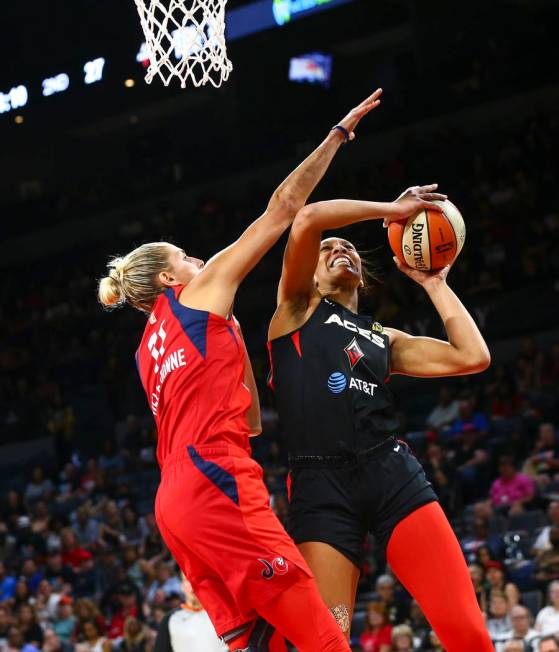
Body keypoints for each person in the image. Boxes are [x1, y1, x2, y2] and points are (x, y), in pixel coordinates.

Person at [98, 89, 384, 652]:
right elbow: (283, 209)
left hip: (173, 502)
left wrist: (229, 339)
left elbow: (250, 417)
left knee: (262, 643)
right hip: (215, 478)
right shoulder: (198, 293)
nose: (198, 260)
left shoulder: (147, 348)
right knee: (320, 634)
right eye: (185, 256)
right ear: (167, 278)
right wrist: (337, 136)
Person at [267, 191, 493, 651]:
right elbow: (307, 216)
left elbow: (473, 356)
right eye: (328, 249)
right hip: (321, 489)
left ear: (364, 275)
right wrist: (392, 211)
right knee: (326, 644)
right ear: (308, 272)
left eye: (347, 248)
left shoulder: (382, 337)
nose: (340, 250)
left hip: (391, 475)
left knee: (468, 633)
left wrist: (433, 283)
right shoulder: (294, 311)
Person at [153, 574, 227, 652]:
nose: (193, 584)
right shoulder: (169, 619)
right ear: (182, 586)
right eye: (188, 579)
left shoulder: (223, 612)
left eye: (197, 579)